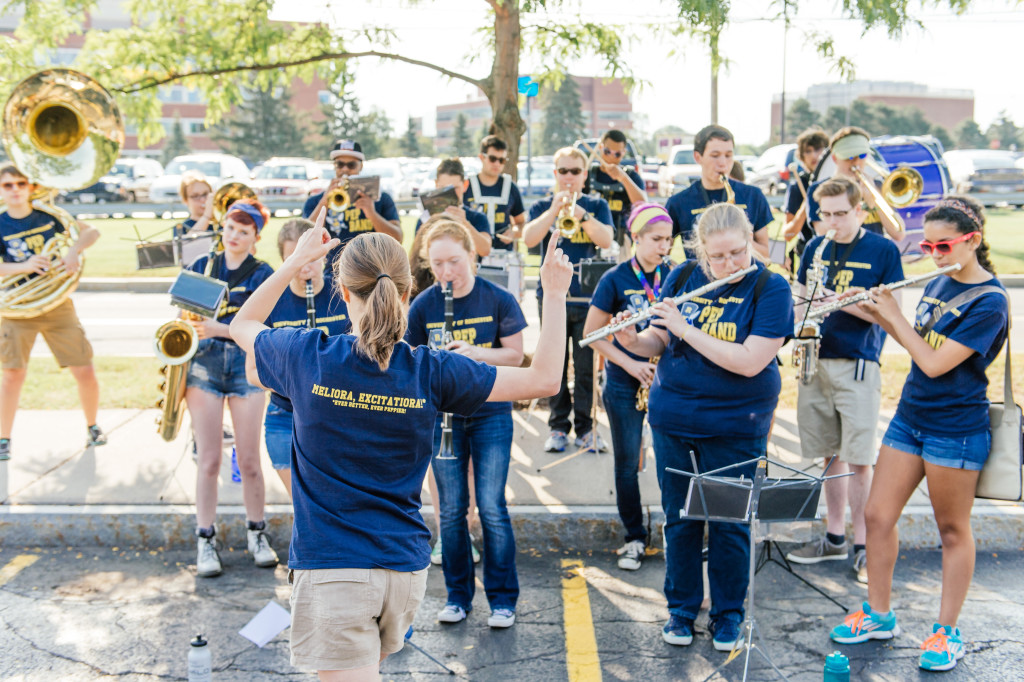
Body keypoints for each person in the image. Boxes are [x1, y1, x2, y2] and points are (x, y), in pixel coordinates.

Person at [229, 210, 573, 681]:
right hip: (403, 572)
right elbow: (545, 379)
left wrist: (294, 262)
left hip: (335, 571)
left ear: (343, 292)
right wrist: (553, 295)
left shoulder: (306, 354)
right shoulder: (429, 369)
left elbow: (241, 324)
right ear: (409, 292)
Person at [830, 196, 1007, 673]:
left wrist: (894, 316)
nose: (935, 253)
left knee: (952, 530)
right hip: (911, 417)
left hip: (956, 427)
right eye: (928, 245)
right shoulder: (941, 279)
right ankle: (880, 614)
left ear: (973, 241)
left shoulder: (990, 302)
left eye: (944, 245)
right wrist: (856, 305)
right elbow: (906, 333)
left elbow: (930, 361)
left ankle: (947, 632)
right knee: (877, 514)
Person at [612, 202, 793, 652]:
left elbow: (751, 361)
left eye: (738, 252)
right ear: (701, 252)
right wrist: (632, 341)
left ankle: (728, 614)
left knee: (729, 522)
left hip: (735, 425)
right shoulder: (681, 277)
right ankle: (681, 610)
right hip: (673, 419)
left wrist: (685, 329)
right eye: (718, 257)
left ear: (751, 240)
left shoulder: (770, 287)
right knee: (680, 520)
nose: (729, 264)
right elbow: (661, 338)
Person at [406, 218, 527, 628]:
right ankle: (458, 596)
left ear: (472, 255)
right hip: (444, 418)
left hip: (491, 411)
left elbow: (516, 356)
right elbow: (408, 359)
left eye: (454, 262)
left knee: (492, 507)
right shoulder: (423, 305)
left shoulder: (497, 298)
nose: (446, 273)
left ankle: (503, 598)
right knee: (452, 511)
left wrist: (476, 353)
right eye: (437, 264)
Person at [784, 177, 903, 584]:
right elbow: (798, 300)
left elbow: (893, 314)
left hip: (857, 364)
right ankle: (835, 537)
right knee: (828, 457)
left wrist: (844, 303)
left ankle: (863, 546)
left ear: (859, 211)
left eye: (840, 213)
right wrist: (803, 305)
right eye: (825, 215)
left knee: (859, 461)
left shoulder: (882, 250)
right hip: (815, 361)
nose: (831, 222)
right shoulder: (815, 246)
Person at [185, 198, 278, 578]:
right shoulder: (201, 266)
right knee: (208, 460)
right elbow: (184, 316)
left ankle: (257, 533)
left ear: (256, 237)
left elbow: (265, 329)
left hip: (245, 368)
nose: (235, 237)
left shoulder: (263, 273)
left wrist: (222, 328)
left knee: (249, 461)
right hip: (203, 365)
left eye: (244, 231)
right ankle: (205, 538)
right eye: (230, 229)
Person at [583, 202, 672, 571]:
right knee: (626, 465)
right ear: (635, 238)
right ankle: (634, 537)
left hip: (668, 384)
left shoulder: (676, 275)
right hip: (624, 382)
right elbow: (592, 335)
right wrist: (631, 363)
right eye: (655, 239)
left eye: (668, 240)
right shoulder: (615, 278)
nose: (664, 247)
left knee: (672, 464)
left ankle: (676, 534)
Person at [0, 163, 107, 461]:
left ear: (30, 187)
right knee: (12, 375)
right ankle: (3, 439)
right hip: (17, 308)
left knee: (84, 368)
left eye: (20, 184)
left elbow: (92, 232)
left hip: (57, 305)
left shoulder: (50, 216)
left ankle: (93, 426)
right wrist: (25, 266)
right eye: (8, 185)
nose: (15, 190)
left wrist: (73, 251)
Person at [523, 147, 615, 454]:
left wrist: (583, 216)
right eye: (563, 171)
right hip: (552, 299)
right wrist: (554, 211)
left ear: (585, 175)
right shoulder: (540, 205)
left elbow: (607, 240)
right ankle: (558, 427)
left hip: (590, 299)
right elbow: (528, 240)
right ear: (555, 174)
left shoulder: (596, 205)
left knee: (587, 367)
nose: (569, 177)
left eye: (575, 171)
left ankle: (586, 429)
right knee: (554, 366)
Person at [253, 218, 350, 498]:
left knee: (332, 504)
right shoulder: (274, 299)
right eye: (295, 260)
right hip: (285, 415)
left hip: (336, 416)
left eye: (312, 258)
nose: (304, 268)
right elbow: (251, 371)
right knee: (303, 507)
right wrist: (295, 380)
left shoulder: (343, 293)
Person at [664, 125, 773, 259]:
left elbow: (768, 255)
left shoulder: (753, 196)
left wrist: (742, 238)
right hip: (701, 278)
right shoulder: (678, 202)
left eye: (728, 155)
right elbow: (662, 255)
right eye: (715, 155)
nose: (723, 163)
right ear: (698, 157)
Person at [302, 139, 402, 261]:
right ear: (334, 166)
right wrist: (324, 202)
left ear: (361, 166)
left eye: (351, 165)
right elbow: (304, 242)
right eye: (339, 164)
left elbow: (398, 239)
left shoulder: (381, 198)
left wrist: (371, 213)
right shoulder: (316, 201)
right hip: (333, 272)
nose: (345, 169)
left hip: (372, 270)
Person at [807, 127, 905, 242]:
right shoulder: (819, 190)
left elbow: (898, 234)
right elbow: (824, 233)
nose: (856, 162)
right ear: (834, 158)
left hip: (873, 255)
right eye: (850, 157)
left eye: (862, 156)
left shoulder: (876, 186)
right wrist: (867, 207)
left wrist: (875, 200)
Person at [585, 130, 647, 257]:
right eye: (607, 151)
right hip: (589, 237)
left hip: (621, 240)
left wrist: (624, 178)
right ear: (601, 147)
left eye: (617, 154)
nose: (611, 157)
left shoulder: (630, 176)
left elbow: (643, 204)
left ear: (623, 153)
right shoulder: (588, 174)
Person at [415, 158, 491, 258]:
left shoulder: (477, 217)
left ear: (465, 185)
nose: (449, 194)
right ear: (436, 185)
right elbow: (416, 255)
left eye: (455, 188)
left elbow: (485, 250)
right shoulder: (425, 218)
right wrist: (429, 224)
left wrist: (465, 223)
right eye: (444, 188)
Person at [464, 135, 526, 249]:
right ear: (481, 157)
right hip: (472, 252)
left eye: (501, 160)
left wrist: (514, 232)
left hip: (503, 255)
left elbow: (522, 222)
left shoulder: (511, 187)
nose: (497, 164)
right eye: (492, 159)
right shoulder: (466, 186)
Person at [782, 128, 829, 272]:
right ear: (801, 157)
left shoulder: (836, 181)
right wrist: (806, 205)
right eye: (808, 151)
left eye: (819, 149)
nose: (814, 155)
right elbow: (788, 234)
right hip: (810, 257)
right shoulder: (798, 186)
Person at [173, 170, 214, 241]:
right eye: (195, 196)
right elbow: (187, 246)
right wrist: (206, 216)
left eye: (205, 194)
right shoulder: (182, 228)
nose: (203, 200)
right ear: (185, 200)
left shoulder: (223, 223)